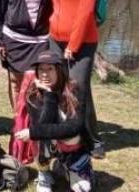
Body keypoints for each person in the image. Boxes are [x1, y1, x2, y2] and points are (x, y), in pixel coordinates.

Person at [49, 0, 103, 159]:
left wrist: (74, 43)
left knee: (79, 90)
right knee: (63, 89)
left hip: (81, 43)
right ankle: (72, 135)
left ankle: (93, 141)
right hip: (55, 41)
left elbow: (85, 11)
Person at [14, 50, 94, 192]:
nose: (44, 74)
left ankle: (69, 165)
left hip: (73, 145)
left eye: (50, 69)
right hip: (49, 144)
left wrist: (33, 131)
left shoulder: (75, 89)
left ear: (59, 69)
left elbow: (74, 126)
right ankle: (43, 173)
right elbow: (42, 126)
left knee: (83, 189)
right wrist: (49, 95)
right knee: (39, 137)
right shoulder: (32, 94)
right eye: (41, 69)